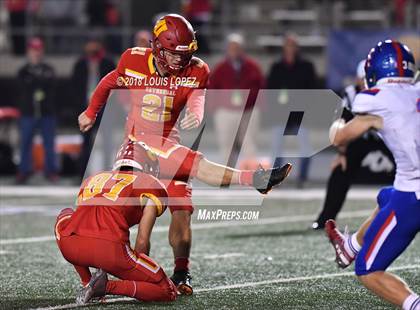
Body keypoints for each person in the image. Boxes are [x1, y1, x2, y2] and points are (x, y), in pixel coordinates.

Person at [77, 14, 292, 295]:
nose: (181, 60)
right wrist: (91, 111)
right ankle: (117, 274)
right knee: (133, 214)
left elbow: (198, 99)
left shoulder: (197, 70)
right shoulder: (134, 60)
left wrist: (195, 111)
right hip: (138, 144)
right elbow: (109, 81)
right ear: (157, 47)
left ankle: (180, 272)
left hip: (168, 142)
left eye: (186, 53)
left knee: (182, 213)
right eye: (175, 53)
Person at [325, 40, 420, 309]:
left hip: (413, 198)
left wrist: (334, 122)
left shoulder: (378, 99)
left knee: (367, 271)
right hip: (406, 192)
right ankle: (350, 247)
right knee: (384, 196)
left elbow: (340, 137)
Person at [55, 141, 177, 305]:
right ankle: (106, 286)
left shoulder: (93, 178)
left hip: (70, 246)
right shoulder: (149, 184)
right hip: (110, 250)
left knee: (65, 215)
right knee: (166, 290)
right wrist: (142, 278)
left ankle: (87, 281)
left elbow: (84, 221)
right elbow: (142, 239)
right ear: (147, 164)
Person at [312, 60, 395, 230]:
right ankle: (326, 218)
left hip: (387, 140)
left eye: (370, 78)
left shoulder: (386, 93)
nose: (367, 82)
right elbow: (342, 123)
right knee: (340, 171)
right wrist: (341, 153)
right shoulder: (350, 94)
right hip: (360, 140)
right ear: (357, 79)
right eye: (364, 78)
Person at [266, 34, 317, 188]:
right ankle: (276, 178)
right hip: (281, 114)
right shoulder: (277, 66)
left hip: (300, 114)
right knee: (276, 148)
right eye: (288, 45)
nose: (290, 48)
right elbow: (270, 91)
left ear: (297, 47)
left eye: (293, 45)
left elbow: (312, 90)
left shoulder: (306, 66)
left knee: (305, 147)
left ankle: (302, 178)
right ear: (284, 47)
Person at [208, 33, 265, 164]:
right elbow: (212, 89)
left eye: (237, 47)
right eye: (231, 47)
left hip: (248, 111)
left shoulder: (252, 67)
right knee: (226, 145)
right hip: (226, 111)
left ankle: (250, 177)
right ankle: (228, 176)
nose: (234, 51)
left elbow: (261, 87)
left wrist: (259, 107)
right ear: (227, 49)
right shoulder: (220, 68)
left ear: (242, 49)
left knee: (249, 145)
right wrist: (212, 109)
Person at [71, 39, 115, 178]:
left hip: (104, 107)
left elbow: (115, 85)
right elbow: (75, 87)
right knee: (85, 142)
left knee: (108, 141)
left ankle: (107, 173)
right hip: (86, 108)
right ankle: (83, 173)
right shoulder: (80, 64)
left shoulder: (107, 62)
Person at [16, 37, 57, 184]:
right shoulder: (23, 71)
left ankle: (50, 171)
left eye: (38, 50)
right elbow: (25, 87)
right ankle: (24, 171)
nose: (36, 53)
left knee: (49, 143)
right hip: (28, 112)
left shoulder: (48, 69)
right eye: (33, 50)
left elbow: (48, 85)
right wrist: (37, 82)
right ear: (29, 51)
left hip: (46, 112)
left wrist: (36, 82)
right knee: (25, 142)